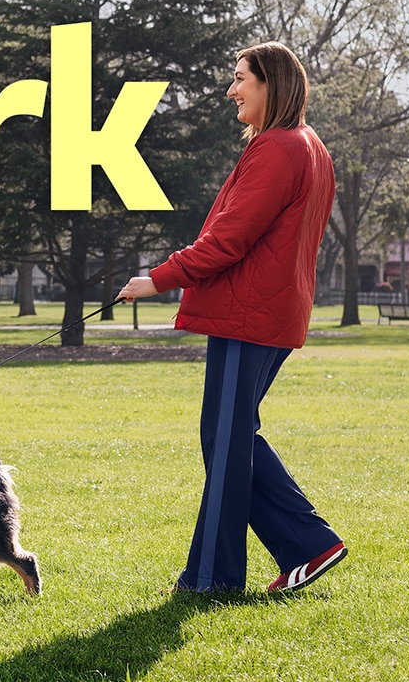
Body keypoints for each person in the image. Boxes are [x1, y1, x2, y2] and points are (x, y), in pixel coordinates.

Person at [119, 42, 348, 593]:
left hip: (249, 316)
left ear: (272, 84)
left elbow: (229, 240)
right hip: (267, 313)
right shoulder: (306, 146)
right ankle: (293, 550)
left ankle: (221, 575)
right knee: (230, 437)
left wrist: (159, 278)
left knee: (226, 441)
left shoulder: (280, 149)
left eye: (241, 78)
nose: (231, 89)